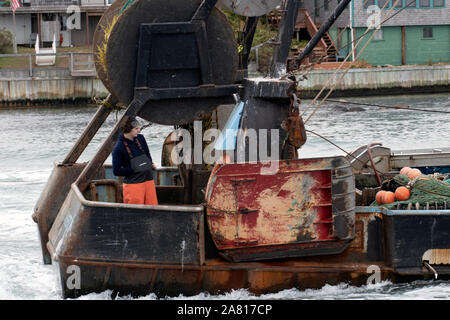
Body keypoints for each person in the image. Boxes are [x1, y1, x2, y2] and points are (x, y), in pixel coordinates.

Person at [112, 117, 158, 205]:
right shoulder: (118, 148)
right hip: (134, 186)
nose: (139, 130)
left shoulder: (141, 138)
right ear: (128, 129)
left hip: (149, 182)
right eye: (136, 128)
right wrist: (134, 169)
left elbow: (148, 154)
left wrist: (149, 164)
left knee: (152, 211)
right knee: (135, 214)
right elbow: (116, 171)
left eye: (139, 127)